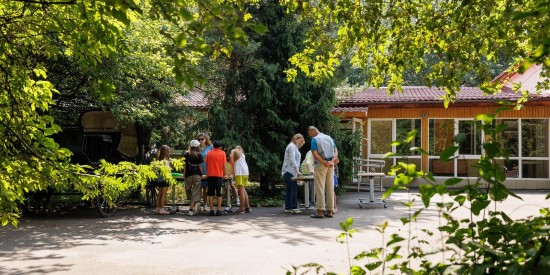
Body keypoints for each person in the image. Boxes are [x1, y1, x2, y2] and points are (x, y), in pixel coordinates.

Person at [307, 126, 338, 219]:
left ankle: (320, 211)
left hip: (321, 165)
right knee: (330, 188)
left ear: (311, 132)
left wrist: (325, 162)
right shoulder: (329, 138)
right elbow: (336, 151)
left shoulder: (314, 139)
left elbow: (315, 154)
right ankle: (330, 211)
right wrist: (332, 161)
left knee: (320, 188)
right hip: (331, 166)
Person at [281, 133, 305, 215]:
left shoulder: (293, 147)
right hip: (289, 171)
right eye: (299, 140)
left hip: (289, 171)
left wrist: (297, 170)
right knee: (293, 189)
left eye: (301, 141)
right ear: (296, 139)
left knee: (289, 189)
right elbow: (292, 159)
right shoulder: (291, 146)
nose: (300, 142)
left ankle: (288, 207)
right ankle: (294, 208)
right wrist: (297, 170)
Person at [205, 140, 226, 216]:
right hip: (219, 175)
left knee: (211, 194)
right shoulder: (223, 153)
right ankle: (218, 210)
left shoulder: (209, 153)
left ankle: (211, 210)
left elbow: (206, 163)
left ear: (213, 146)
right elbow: (224, 165)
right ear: (220, 147)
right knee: (219, 194)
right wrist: (225, 174)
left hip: (210, 175)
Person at [183, 140, 203, 216]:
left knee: (188, 190)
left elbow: (184, 166)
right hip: (197, 175)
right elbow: (200, 166)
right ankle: (191, 209)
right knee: (195, 192)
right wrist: (201, 174)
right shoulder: (199, 155)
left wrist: (184, 174)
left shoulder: (186, 154)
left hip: (188, 175)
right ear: (197, 146)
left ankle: (191, 206)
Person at [230, 145, 251, 213]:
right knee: (243, 189)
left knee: (241, 191)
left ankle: (242, 208)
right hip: (245, 172)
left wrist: (231, 173)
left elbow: (232, 162)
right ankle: (247, 207)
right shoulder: (242, 154)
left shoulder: (233, 151)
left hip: (239, 173)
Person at [154, 145, 172, 215]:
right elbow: (167, 170)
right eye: (168, 150)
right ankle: (162, 209)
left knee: (159, 194)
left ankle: (157, 208)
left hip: (159, 179)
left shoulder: (159, 159)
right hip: (165, 179)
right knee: (163, 195)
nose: (169, 152)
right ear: (166, 151)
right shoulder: (165, 160)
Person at [197, 133, 213, 211]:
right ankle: (198, 204)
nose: (200, 141)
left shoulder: (210, 147)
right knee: (198, 188)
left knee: (206, 188)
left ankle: (205, 204)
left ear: (206, 139)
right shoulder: (197, 148)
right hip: (198, 169)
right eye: (199, 139)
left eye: (202, 139)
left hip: (208, 168)